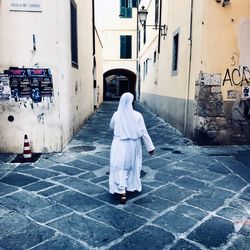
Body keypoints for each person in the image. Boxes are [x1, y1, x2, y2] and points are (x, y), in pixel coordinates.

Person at [109, 92, 155, 204]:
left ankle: (121, 190)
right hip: (133, 145)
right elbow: (144, 131)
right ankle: (127, 187)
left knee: (119, 166)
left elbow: (111, 126)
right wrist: (150, 147)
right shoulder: (138, 115)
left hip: (119, 143)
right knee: (131, 166)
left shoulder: (116, 114)